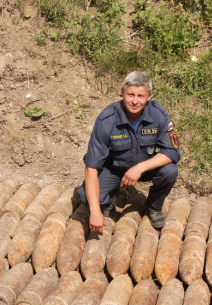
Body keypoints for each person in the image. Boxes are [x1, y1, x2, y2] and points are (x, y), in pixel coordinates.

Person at [77, 71, 180, 234]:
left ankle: (153, 206)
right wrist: (95, 212)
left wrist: (140, 167)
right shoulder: (107, 119)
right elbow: (91, 166)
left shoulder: (158, 115)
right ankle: (110, 198)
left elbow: (172, 151)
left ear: (149, 96)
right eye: (130, 94)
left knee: (170, 171)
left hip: (145, 169)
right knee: (86, 198)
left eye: (140, 96)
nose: (134, 101)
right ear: (122, 93)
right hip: (114, 169)